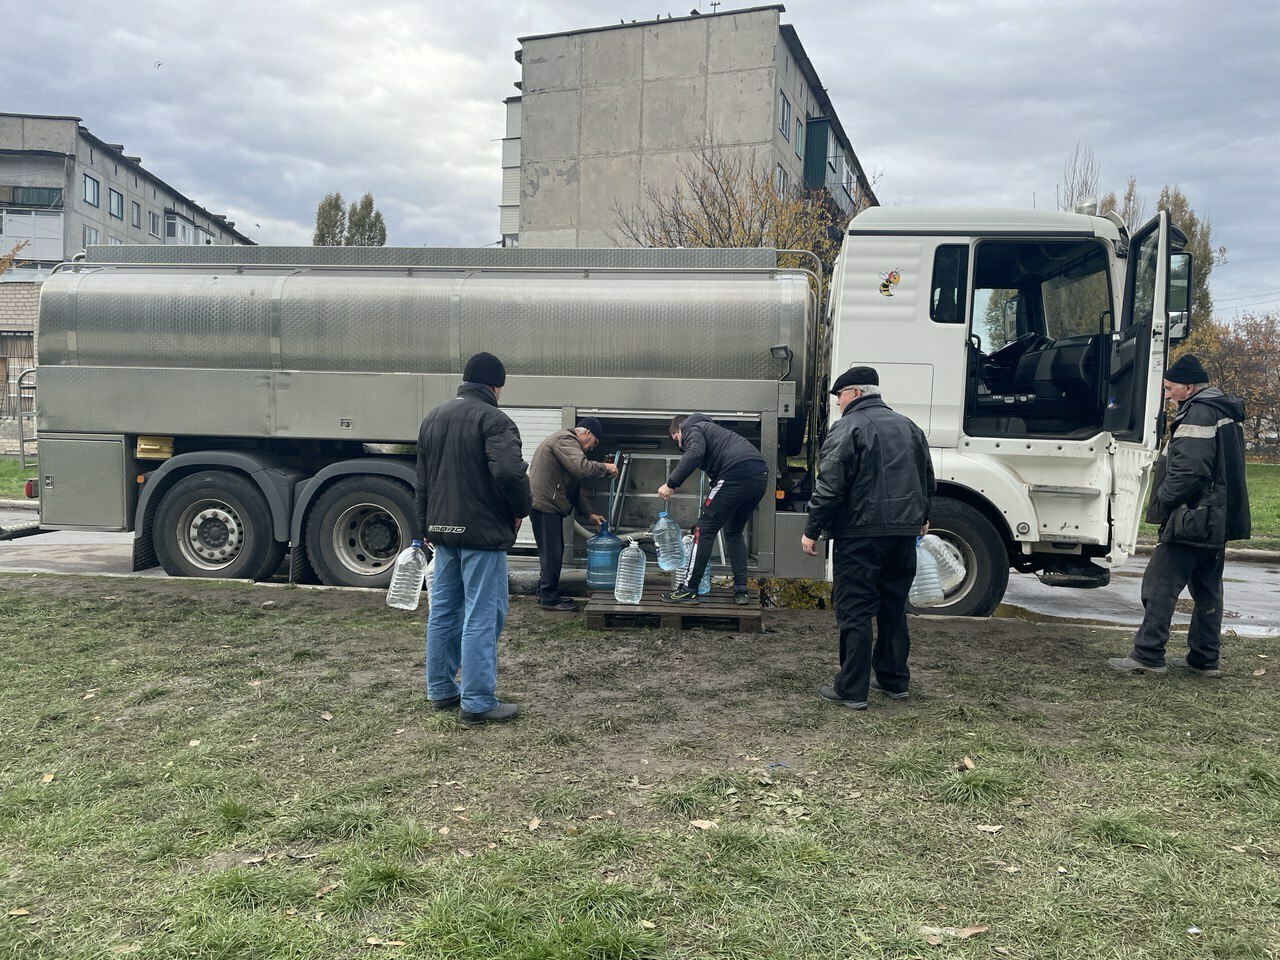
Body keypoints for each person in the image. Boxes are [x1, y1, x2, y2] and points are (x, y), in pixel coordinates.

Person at [1107, 354, 1250, 677]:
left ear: (1188, 387)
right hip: (1216, 519)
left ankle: (1147, 656)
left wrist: (1163, 502)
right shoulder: (1222, 412)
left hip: (1192, 519)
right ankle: (1204, 660)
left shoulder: (1198, 413)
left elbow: (1189, 471)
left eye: (1170, 388)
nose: (1168, 395)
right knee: (1208, 590)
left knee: (1159, 587)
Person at [801, 366, 934, 710]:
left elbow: (830, 484)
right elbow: (926, 477)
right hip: (903, 533)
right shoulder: (910, 426)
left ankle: (851, 689)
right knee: (893, 605)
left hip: (860, 533)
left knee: (855, 609)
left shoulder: (849, 427)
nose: (838, 403)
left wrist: (812, 529)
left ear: (857, 393)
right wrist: (922, 518)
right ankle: (894, 681)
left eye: (840, 395)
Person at [415, 351, 531, 725]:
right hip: (481, 534)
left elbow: (423, 482)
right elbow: (511, 474)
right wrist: (520, 510)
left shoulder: (432, 418)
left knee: (444, 611)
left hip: (443, 533)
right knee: (482, 613)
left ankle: (441, 689)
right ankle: (478, 702)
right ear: (495, 386)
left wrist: (425, 526)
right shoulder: (495, 420)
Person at [658, 413, 769, 605]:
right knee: (733, 532)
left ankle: (689, 589)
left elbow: (694, 454)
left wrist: (671, 483)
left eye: (676, 439)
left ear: (679, 429)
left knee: (704, 529)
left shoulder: (692, 428)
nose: (679, 446)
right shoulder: (712, 430)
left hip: (736, 474)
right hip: (759, 477)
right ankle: (741, 590)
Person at [528, 417, 618, 611]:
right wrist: (605, 467)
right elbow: (582, 468)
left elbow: (576, 488)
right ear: (586, 433)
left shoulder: (568, 445)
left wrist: (590, 514)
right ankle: (549, 599)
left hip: (547, 504)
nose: (589, 449)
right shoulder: (566, 440)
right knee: (553, 552)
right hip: (545, 504)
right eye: (592, 444)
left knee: (551, 552)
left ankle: (544, 592)